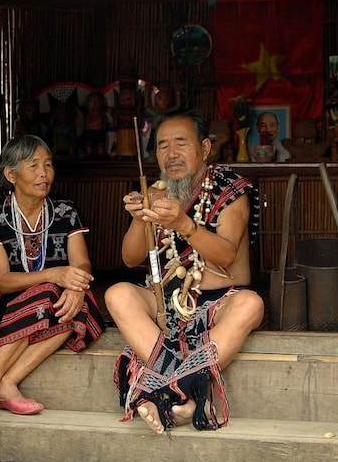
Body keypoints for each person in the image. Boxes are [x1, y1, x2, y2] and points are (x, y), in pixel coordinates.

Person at [106, 110, 264, 434]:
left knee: (252, 304)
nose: (172, 153)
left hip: (219, 302)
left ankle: (163, 391)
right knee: (117, 294)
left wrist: (183, 223)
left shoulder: (229, 188)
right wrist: (140, 217)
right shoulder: (156, 191)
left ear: (204, 148)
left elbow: (227, 255)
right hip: (167, 305)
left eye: (181, 143)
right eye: (163, 145)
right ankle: (187, 394)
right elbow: (130, 258)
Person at [0, 134, 104, 418]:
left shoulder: (65, 211)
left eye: (48, 165)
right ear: (11, 175)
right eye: (34, 166)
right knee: (48, 291)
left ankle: (8, 383)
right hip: (3, 302)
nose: (44, 173)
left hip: (53, 301)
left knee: (83, 303)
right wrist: (55, 275)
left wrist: (76, 287)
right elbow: (3, 281)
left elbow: (82, 263)